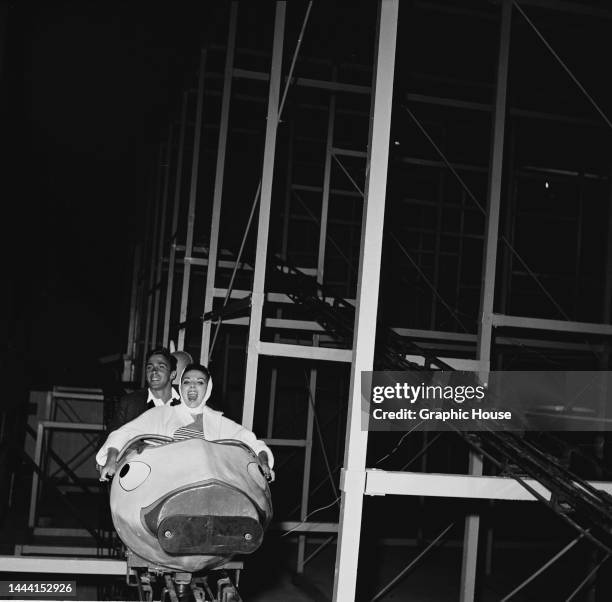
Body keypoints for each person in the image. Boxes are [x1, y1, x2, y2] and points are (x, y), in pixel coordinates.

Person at [97, 363, 274, 482]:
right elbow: (123, 434)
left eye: (200, 382)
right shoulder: (162, 414)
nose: (192, 387)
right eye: (187, 382)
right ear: (180, 386)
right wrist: (111, 460)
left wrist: (264, 463)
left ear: (208, 388)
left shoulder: (217, 421)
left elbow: (252, 442)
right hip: (165, 485)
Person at [110, 347, 180, 430]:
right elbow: (109, 439)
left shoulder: (186, 402)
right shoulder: (130, 403)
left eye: (161, 367)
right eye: (149, 367)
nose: (154, 371)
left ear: (172, 374)